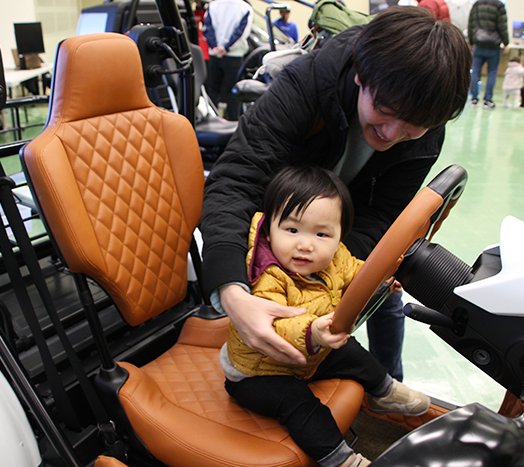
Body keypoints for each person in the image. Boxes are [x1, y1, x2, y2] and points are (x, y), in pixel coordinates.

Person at [200, 7, 471, 381]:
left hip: (341, 239)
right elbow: (236, 180)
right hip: (285, 233)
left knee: (385, 297)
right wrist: (232, 290)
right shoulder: (307, 83)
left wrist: (339, 277)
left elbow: (383, 215)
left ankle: (386, 389)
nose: (392, 135)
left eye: (412, 127)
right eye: (383, 110)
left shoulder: (426, 121)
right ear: (361, 75)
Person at [222, 166, 429, 467]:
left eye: (321, 233)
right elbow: (274, 328)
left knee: (353, 351)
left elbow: (357, 272)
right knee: (298, 403)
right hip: (258, 372)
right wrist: (313, 333)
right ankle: (340, 458)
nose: (306, 244)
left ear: (339, 236)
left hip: (307, 357)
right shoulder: (267, 275)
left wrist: (380, 282)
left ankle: (383, 391)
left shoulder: (336, 257)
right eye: (292, 230)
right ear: (270, 230)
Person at [203, 0, 253, 121]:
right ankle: (234, 123)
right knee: (234, 92)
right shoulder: (245, 8)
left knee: (212, 90)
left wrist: (214, 47)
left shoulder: (212, 6)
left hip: (214, 55)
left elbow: (207, 29)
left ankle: (211, 121)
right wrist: (225, 48)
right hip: (233, 56)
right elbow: (242, 32)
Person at [467, 0, 510, 109]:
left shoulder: (477, 4)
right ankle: (487, 100)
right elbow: (502, 25)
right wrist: (506, 43)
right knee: (492, 72)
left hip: (479, 43)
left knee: (475, 72)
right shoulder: (499, 5)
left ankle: (474, 99)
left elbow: (471, 23)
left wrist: (471, 42)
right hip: (493, 45)